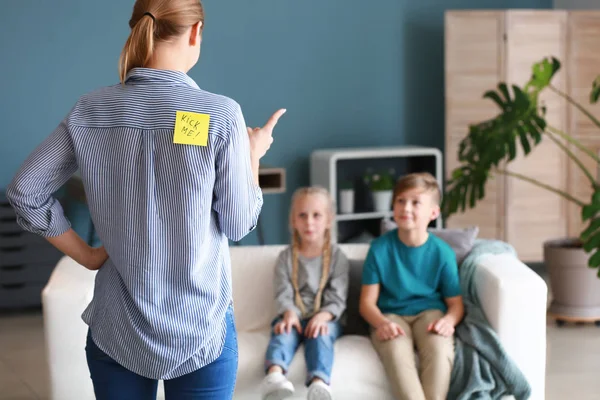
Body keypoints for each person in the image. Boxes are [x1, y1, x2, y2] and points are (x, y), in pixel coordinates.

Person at [5, 0, 285, 398]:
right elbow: (239, 223)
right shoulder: (220, 115)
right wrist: (252, 156)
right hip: (201, 330)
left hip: (116, 327)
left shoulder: (91, 110)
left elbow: (25, 192)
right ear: (195, 32)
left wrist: (86, 255)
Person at [359, 172, 464, 400]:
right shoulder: (379, 248)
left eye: (415, 202)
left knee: (439, 348)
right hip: (390, 315)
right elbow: (366, 304)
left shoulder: (442, 252)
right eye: (400, 201)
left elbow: (455, 304)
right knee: (396, 350)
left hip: (430, 314)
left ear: (433, 213)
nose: (406, 208)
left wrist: (448, 321)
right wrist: (382, 323)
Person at [261, 187, 349, 400]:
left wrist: (322, 316)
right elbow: (283, 292)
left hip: (323, 317)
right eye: (302, 215)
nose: (309, 222)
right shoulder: (285, 258)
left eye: (316, 215)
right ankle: (275, 376)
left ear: (329, 220)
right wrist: (289, 313)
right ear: (293, 220)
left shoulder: (337, 257)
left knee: (322, 336)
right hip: (294, 316)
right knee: (283, 332)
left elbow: (337, 297)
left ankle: (319, 383)